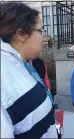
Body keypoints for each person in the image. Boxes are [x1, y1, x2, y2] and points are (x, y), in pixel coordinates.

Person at [0, 2, 58, 138]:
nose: (43, 38)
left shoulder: (21, 63)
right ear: (21, 34)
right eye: (41, 31)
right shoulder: (4, 75)